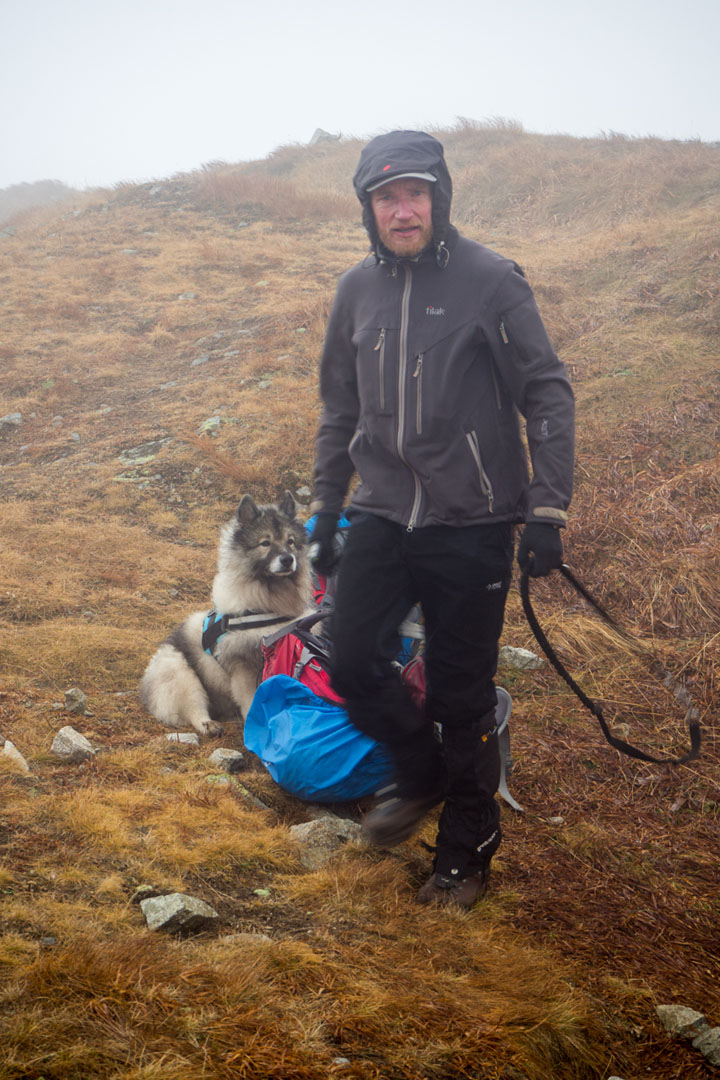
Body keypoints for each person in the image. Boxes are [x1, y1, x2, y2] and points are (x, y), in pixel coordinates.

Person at [308, 130, 575, 909]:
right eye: (386, 197)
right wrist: (327, 506)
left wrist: (548, 505)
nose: (402, 209)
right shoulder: (355, 290)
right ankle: (417, 773)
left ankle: (465, 855)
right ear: (368, 209)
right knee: (350, 656)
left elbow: (546, 390)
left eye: (415, 193)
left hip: (473, 521)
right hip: (383, 512)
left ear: (440, 197)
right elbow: (339, 407)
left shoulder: (491, 280)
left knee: (462, 698)